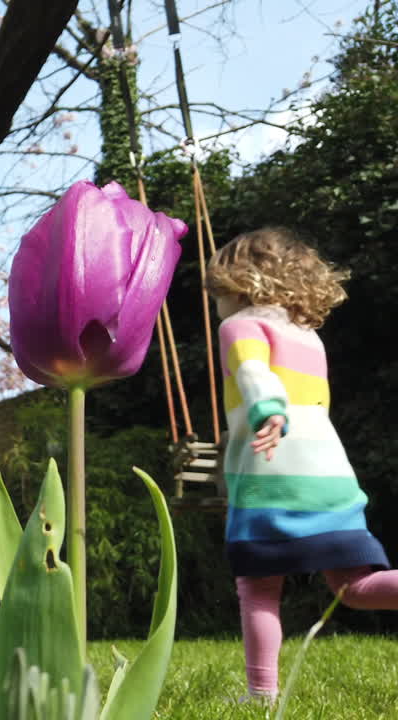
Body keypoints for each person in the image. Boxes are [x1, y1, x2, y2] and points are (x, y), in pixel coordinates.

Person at [207, 227, 398, 703]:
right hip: (332, 475)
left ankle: (261, 695)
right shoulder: (309, 337)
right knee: (355, 587)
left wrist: (267, 409)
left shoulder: (239, 325)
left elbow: (254, 371)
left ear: (239, 285)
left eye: (215, 295)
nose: (214, 306)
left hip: (273, 476)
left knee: (257, 587)